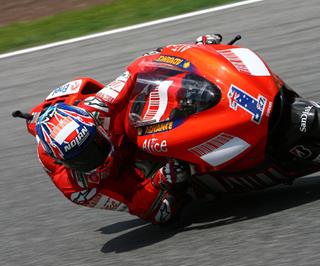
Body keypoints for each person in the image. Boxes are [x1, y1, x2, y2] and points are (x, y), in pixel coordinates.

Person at [35, 34, 223, 224]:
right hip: (123, 173)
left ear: (94, 125)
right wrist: (160, 180)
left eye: (95, 144)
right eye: (82, 159)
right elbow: (136, 207)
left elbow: (137, 69)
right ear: (63, 162)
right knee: (163, 214)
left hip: (124, 135)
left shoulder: (97, 107)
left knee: (153, 89)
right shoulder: (79, 190)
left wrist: (194, 51)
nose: (96, 156)